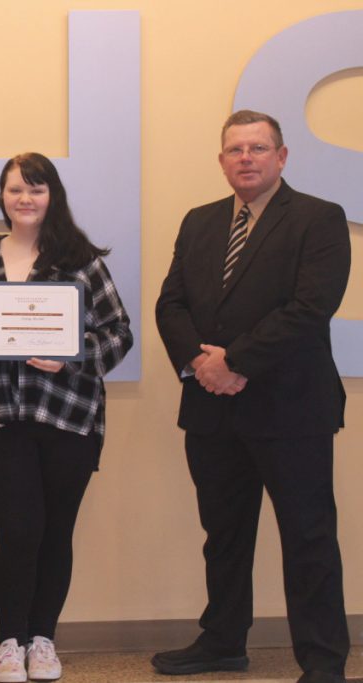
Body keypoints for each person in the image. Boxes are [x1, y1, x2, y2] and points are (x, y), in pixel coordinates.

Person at [154, 110, 351, 683]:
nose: (246, 158)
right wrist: (200, 363)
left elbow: (310, 308)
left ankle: (322, 662)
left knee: (309, 539)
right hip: (213, 411)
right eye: (236, 150)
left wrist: (233, 362)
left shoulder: (319, 219)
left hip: (292, 410)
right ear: (221, 162)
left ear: (282, 157)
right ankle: (222, 642)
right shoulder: (199, 222)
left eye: (258, 148)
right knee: (225, 536)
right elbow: (171, 305)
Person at [0, 153, 132, 682]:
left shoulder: (82, 260)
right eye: (15, 190)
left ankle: (43, 639)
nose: (25, 199)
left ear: (54, 196)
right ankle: (10, 641)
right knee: (18, 528)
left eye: (37, 189)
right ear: (1, 198)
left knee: (55, 531)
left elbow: (120, 334)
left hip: (70, 417)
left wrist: (73, 354)